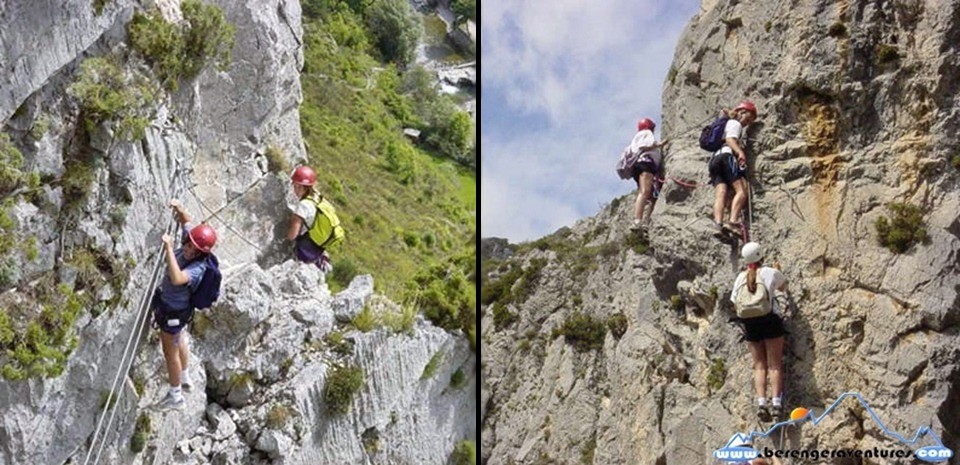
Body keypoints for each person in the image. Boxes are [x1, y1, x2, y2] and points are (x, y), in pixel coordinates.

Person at [154, 199, 218, 409]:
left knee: (170, 354)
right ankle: (185, 377)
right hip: (177, 313)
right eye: (189, 243)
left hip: (173, 311)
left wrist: (169, 249)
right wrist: (179, 208)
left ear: (202, 253)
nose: (190, 249)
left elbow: (177, 278)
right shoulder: (191, 240)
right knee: (179, 339)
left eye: (195, 249)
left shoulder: (198, 267)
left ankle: (176, 398)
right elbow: (188, 222)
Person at [731, 242, 788, 422]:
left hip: (750, 324)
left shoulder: (740, 277)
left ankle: (762, 402)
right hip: (770, 320)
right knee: (775, 364)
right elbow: (783, 288)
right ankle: (777, 404)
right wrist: (777, 270)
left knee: (759, 365)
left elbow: (734, 301)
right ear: (761, 255)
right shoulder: (770, 272)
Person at [709, 100, 757, 237]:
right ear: (742, 112)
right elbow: (730, 140)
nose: (748, 122)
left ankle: (718, 225)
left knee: (721, 194)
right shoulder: (735, 123)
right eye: (749, 117)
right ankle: (733, 222)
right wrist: (740, 152)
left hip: (714, 161)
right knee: (742, 191)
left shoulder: (725, 124)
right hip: (727, 157)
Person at [286, 166, 343, 272]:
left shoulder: (303, 206)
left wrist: (283, 243)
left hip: (306, 245)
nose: (294, 189)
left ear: (303, 187)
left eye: (296, 186)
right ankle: (320, 260)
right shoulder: (317, 196)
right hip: (318, 241)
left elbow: (293, 234)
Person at [628, 117, 669, 232]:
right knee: (645, 192)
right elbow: (644, 145)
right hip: (645, 164)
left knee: (651, 196)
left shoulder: (637, 136)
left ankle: (645, 222)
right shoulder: (646, 133)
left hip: (642, 165)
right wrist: (659, 145)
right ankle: (638, 221)